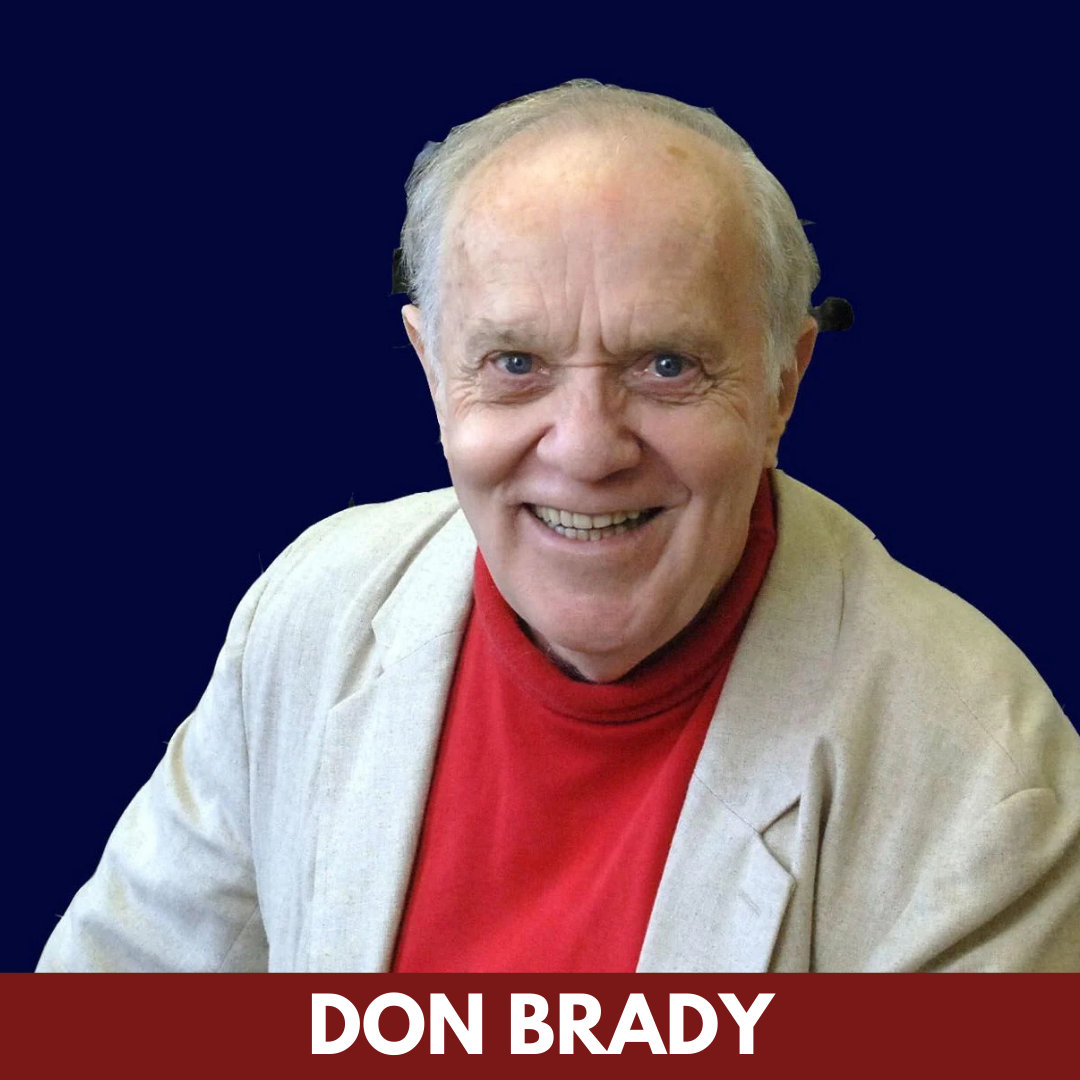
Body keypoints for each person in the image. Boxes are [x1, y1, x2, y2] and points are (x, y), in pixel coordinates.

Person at [38, 80, 1080, 973]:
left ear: (782, 388)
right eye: (515, 365)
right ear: (430, 373)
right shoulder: (313, 610)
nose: (585, 447)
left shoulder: (982, 768)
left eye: (667, 366)